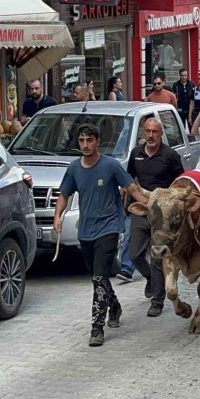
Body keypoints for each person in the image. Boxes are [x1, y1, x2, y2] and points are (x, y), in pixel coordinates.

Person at [54, 123, 148, 347]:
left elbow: (133, 189)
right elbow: (64, 194)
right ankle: (114, 305)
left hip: (109, 228)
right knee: (99, 278)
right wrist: (58, 215)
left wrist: (151, 205)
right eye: (81, 141)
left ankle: (97, 328)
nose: (85, 145)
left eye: (89, 140)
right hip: (86, 231)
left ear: (97, 142)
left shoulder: (111, 166)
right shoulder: (74, 168)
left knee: (98, 278)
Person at [123, 118, 184, 315]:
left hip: (163, 214)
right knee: (134, 254)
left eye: (155, 132)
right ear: (143, 133)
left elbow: (181, 182)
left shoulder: (170, 155)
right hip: (143, 207)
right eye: (147, 131)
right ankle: (150, 277)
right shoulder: (136, 154)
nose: (150, 135)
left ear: (160, 134)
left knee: (157, 256)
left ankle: (157, 301)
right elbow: (130, 178)